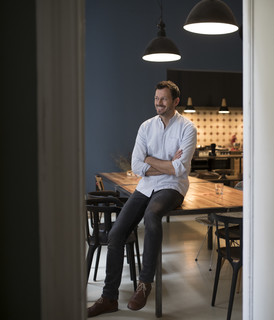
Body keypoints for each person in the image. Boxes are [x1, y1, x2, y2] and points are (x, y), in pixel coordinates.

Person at [87, 80, 197, 317]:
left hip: (173, 187)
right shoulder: (146, 126)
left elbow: (180, 169)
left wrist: (151, 160)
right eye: (157, 98)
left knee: (152, 214)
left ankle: (145, 284)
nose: (158, 103)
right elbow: (137, 165)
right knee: (116, 233)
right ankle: (109, 298)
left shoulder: (187, 128)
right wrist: (163, 164)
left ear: (175, 101)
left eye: (164, 99)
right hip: (146, 185)